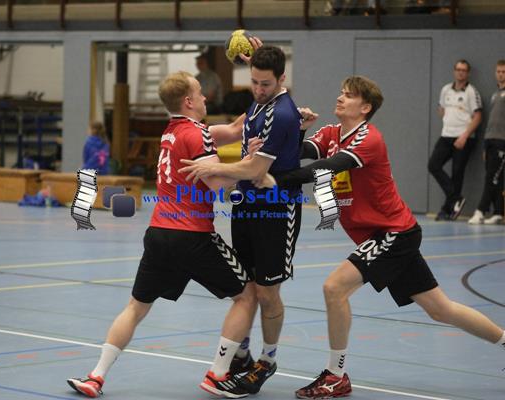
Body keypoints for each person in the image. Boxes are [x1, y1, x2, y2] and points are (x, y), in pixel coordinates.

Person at [254, 75, 505, 399]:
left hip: (393, 234)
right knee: (440, 309)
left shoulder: (368, 139)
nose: (340, 98)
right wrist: (296, 128)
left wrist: (275, 180)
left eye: (349, 95)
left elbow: (324, 168)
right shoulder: (331, 133)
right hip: (384, 236)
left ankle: (335, 375)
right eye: (341, 92)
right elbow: (298, 152)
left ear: (366, 107)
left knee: (334, 288)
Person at [66, 71, 253, 398]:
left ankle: (96, 376)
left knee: (136, 307)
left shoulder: (171, 132)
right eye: (200, 92)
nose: (206, 97)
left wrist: (267, 106)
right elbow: (216, 184)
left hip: (158, 234)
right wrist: (251, 166)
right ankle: (218, 373)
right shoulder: (199, 134)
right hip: (192, 236)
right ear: (189, 101)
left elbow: (237, 129)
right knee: (248, 296)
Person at [179, 45, 304, 396]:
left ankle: (267, 360)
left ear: (281, 79)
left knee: (267, 291)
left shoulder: (282, 114)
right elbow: (239, 132)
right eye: (254, 82)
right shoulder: (259, 102)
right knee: (247, 285)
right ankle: (243, 354)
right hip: (246, 204)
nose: (258, 90)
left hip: (276, 209)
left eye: (265, 84)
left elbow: (254, 168)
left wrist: (212, 168)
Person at [429, 60, 482, 221]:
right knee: (433, 165)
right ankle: (456, 198)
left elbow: (478, 116)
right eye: (458, 69)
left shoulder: (471, 92)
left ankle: (448, 209)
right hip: (446, 135)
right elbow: (441, 109)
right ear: (454, 71)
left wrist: (464, 135)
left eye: (463, 70)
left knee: (457, 173)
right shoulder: (446, 89)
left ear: (467, 73)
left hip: (464, 137)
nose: (460, 72)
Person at [468, 59, 505, 225]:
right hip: (490, 140)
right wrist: (485, 145)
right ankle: (498, 212)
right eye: (498, 71)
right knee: (497, 178)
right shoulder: (495, 94)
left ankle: (480, 211)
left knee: (491, 177)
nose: (501, 75)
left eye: (504, 72)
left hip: (502, 142)